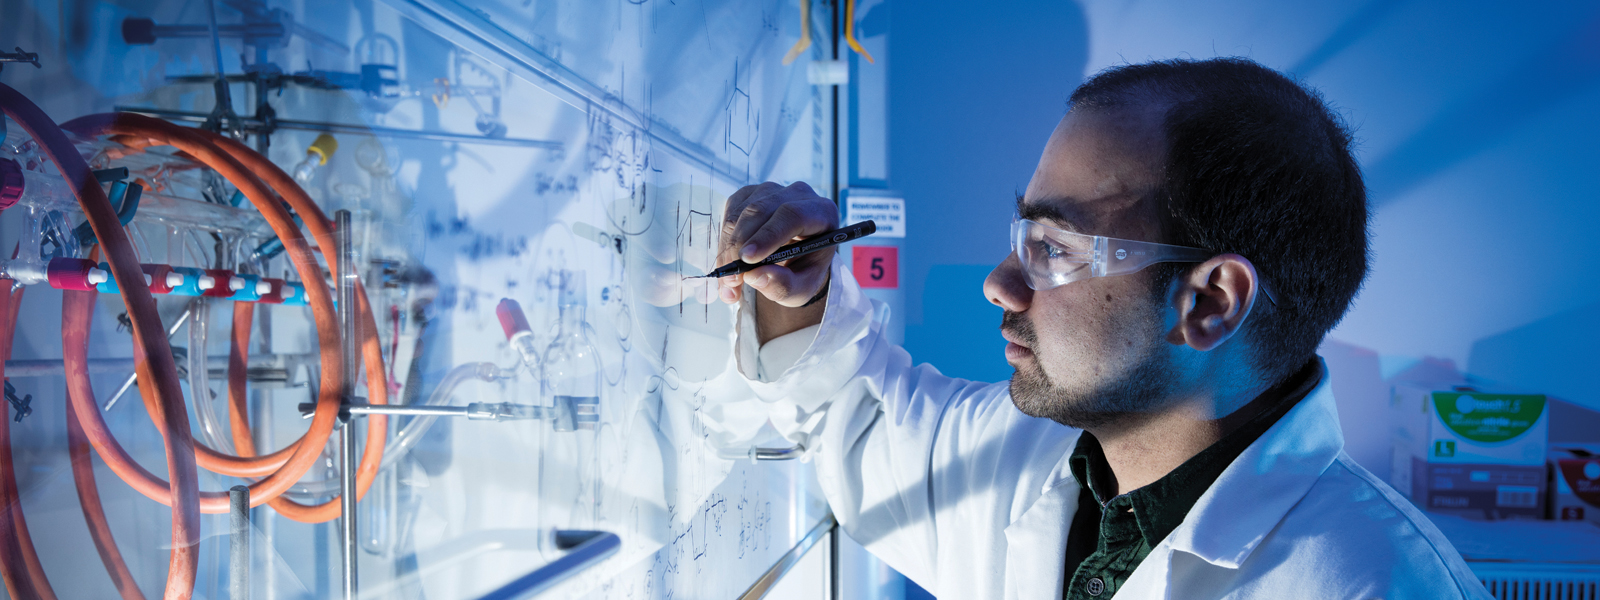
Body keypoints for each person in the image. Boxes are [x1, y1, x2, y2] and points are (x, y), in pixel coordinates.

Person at [712, 58, 1492, 599]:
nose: (997, 284)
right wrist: (795, 280)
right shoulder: (1029, 457)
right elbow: (853, 414)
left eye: (1054, 249)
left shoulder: (1376, 583)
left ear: (1211, 302)